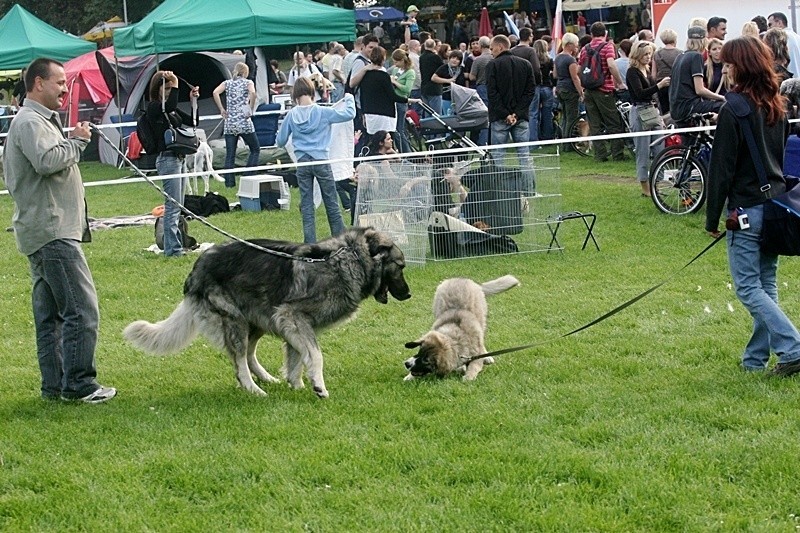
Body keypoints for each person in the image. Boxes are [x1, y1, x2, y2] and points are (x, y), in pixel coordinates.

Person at [3, 58, 116, 403]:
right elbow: (47, 162)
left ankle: (54, 386)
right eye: (60, 83)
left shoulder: (32, 121)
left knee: (50, 317)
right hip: (52, 233)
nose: (66, 90)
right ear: (38, 83)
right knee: (81, 309)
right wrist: (78, 142)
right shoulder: (31, 122)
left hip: (42, 231)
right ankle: (80, 384)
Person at [705, 36, 800, 375]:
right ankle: (755, 361)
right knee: (765, 284)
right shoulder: (777, 104)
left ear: (741, 66)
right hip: (775, 205)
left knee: (748, 287)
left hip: (746, 209)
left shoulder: (733, 108)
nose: (725, 68)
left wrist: (711, 217)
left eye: (729, 63)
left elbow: (721, 169)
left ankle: (793, 348)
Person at [277, 78, 355, 243]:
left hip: (303, 164)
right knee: (332, 204)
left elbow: (280, 141)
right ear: (312, 92)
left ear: (295, 94)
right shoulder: (323, 112)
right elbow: (349, 114)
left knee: (307, 206)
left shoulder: (291, 116)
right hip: (321, 161)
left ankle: (309, 244)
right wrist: (349, 98)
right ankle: (340, 242)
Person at [146, 70, 200, 257]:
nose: (169, 92)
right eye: (166, 88)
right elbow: (168, 105)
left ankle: (175, 244)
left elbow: (193, 121)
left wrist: (193, 100)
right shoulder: (154, 107)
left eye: (171, 88)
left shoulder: (171, 109)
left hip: (179, 158)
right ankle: (173, 249)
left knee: (178, 204)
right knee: (172, 205)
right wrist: (176, 83)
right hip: (167, 159)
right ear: (157, 89)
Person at [486, 35, 535, 189]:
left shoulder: (492, 66)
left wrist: (505, 114)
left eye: (492, 48)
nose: (491, 52)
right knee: (524, 156)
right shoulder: (526, 64)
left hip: (501, 117)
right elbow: (530, 92)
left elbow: (492, 94)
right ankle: (529, 190)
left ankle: (498, 191)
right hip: (520, 117)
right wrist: (517, 113)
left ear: (500, 47)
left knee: (498, 156)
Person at [578, 22, 627, 162]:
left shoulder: (585, 48)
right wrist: (619, 82)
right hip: (604, 89)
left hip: (589, 90)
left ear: (591, 34)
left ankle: (600, 155)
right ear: (605, 33)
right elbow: (611, 64)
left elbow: (579, 70)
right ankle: (617, 154)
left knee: (594, 124)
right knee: (613, 123)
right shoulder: (607, 47)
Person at [626, 41, 669, 196]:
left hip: (652, 110)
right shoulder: (632, 72)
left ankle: (657, 183)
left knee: (660, 148)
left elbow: (650, 94)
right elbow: (640, 93)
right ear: (637, 54)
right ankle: (645, 187)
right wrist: (659, 85)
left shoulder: (646, 70)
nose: (648, 57)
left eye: (649, 54)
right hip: (639, 111)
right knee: (642, 151)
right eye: (645, 54)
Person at [212, 62, 259, 189]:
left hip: (230, 122)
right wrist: (250, 108)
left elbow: (215, 92)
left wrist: (222, 109)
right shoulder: (248, 82)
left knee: (230, 154)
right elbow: (253, 94)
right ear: (245, 72)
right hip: (244, 121)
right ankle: (249, 175)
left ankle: (229, 183)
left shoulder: (227, 83)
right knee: (255, 149)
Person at [668, 26, 724, 125]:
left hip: (676, 109)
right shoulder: (696, 56)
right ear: (704, 41)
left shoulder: (680, 56)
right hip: (690, 106)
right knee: (725, 106)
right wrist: (722, 97)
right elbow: (699, 90)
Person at [510, 28, 542, 142]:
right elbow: (536, 69)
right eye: (532, 35)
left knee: (518, 112)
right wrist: (537, 82)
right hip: (530, 86)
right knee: (532, 113)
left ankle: (518, 139)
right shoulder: (530, 51)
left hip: (515, 87)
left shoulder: (512, 51)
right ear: (529, 37)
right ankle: (532, 140)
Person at [554, 33, 584, 142]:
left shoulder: (557, 57)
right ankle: (569, 144)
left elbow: (555, 75)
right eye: (575, 44)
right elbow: (575, 77)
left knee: (565, 117)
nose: (576, 47)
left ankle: (564, 141)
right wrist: (581, 92)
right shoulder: (570, 60)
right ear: (570, 45)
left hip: (560, 88)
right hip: (570, 89)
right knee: (572, 118)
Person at [389, 49, 416, 153]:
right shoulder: (395, 70)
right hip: (393, 101)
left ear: (403, 60)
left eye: (396, 62)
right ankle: (399, 150)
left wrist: (395, 82)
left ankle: (406, 151)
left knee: (399, 129)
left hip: (401, 102)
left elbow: (407, 89)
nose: (394, 64)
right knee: (394, 128)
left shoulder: (410, 72)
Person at [654, 28, 681, 114]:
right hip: (677, 84)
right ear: (674, 38)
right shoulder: (680, 53)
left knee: (665, 110)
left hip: (662, 84)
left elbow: (653, 74)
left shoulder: (657, 54)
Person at [431, 50, 466, 116]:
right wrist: (448, 81)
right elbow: (433, 78)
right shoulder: (444, 68)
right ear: (449, 58)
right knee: (447, 115)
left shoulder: (462, 69)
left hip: (459, 97)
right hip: (447, 96)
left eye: (457, 59)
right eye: (453, 58)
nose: (455, 60)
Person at [533, 39, 555, 140]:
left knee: (534, 114)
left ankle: (535, 136)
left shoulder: (533, 60)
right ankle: (548, 136)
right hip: (547, 87)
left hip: (536, 87)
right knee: (547, 113)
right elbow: (554, 74)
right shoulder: (549, 60)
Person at [768, 12, 800, 80]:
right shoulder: (797, 37)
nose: (769, 28)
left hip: (787, 79)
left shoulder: (780, 38)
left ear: (779, 23)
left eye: (770, 24)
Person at [419, 38, 444, 116]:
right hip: (434, 88)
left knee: (427, 112)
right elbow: (443, 69)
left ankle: (428, 127)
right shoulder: (436, 57)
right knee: (436, 114)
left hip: (424, 87)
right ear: (434, 46)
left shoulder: (421, 57)